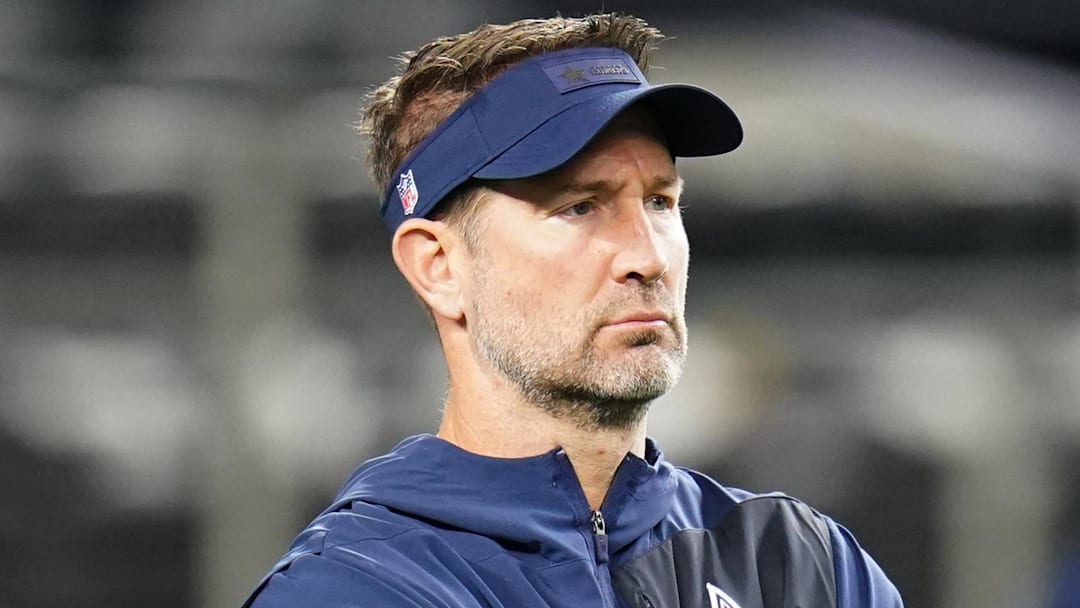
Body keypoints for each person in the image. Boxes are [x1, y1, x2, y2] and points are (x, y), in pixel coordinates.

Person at [243, 14, 903, 608]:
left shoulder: (798, 564)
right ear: (439, 267)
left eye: (660, 202)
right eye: (580, 206)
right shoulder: (359, 586)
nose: (646, 257)